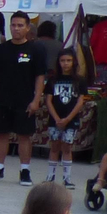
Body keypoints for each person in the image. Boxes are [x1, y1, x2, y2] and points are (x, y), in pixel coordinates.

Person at [0, 11, 48, 187]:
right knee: (2, 134)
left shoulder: (36, 49)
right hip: (2, 99)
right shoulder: (0, 49)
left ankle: (25, 170)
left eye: (20, 25)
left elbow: (40, 77)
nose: (16, 29)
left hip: (25, 100)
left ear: (27, 28)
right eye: (13, 25)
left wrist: (36, 100)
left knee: (24, 136)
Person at [40, 47, 87, 187]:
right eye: (62, 61)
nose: (65, 63)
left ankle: (67, 178)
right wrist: (56, 118)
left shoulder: (79, 80)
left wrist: (67, 118)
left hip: (71, 119)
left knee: (67, 147)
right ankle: (50, 176)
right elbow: (48, 100)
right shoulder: (53, 80)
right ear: (58, 62)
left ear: (74, 62)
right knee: (54, 147)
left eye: (68, 60)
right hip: (55, 119)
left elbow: (80, 101)